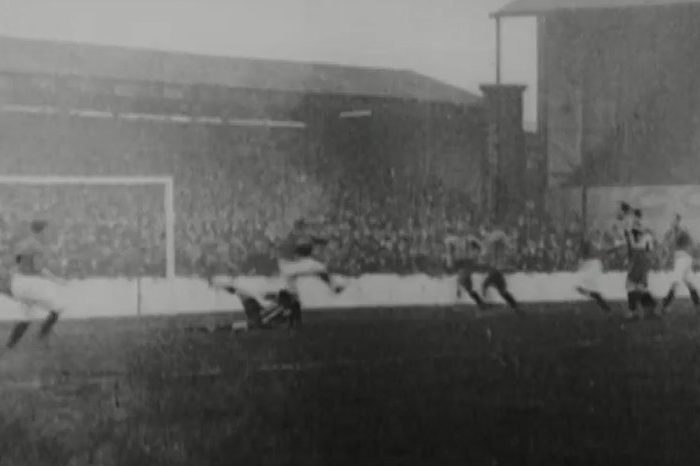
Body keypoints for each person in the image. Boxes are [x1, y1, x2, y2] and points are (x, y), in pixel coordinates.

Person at [5, 219, 65, 349]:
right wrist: (56, 280)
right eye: (47, 231)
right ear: (42, 231)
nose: (49, 233)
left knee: (27, 316)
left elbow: (16, 264)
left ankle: (10, 345)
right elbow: (38, 268)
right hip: (29, 284)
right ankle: (42, 336)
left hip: (18, 282)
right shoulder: (37, 247)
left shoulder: (22, 244)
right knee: (58, 307)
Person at [661, 214, 699, 313]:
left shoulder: (680, 232)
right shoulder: (675, 232)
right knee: (688, 282)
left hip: (682, 260)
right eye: (671, 220)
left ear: (677, 221)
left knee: (675, 282)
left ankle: (665, 306)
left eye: (673, 220)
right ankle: (697, 304)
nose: (671, 222)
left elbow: (672, 244)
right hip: (684, 259)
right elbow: (667, 244)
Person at [624, 210, 658, 320]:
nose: (634, 219)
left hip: (639, 258)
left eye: (635, 216)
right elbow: (650, 248)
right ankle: (651, 306)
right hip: (641, 258)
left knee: (632, 286)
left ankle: (633, 311)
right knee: (637, 287)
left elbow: (632, 237)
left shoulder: (635, 229)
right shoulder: (644, 231)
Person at [575, 236, 611, 312]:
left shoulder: (589, 246)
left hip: (591, 265)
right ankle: (602, 304)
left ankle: (602, 304)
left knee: (591, 288)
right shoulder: (589, 246)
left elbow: (586, 256)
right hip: (591, 265)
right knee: (591, 288)